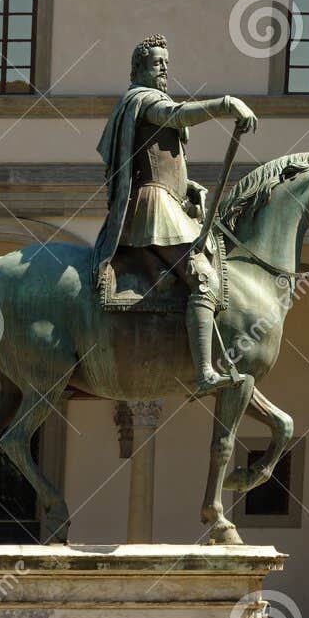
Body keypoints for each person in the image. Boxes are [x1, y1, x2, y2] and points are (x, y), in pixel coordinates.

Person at [92, 35, 257, 392]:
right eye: (156, 62)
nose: (164, 68)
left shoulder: (144, 102)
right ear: (138, 69)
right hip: (153, 208)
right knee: (203, 279)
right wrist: (227, 104)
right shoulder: (145, 100)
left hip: (166, 201)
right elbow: (176, 115)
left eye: (166, 62)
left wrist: (189, 187)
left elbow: (161, 164)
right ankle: (203, 373)